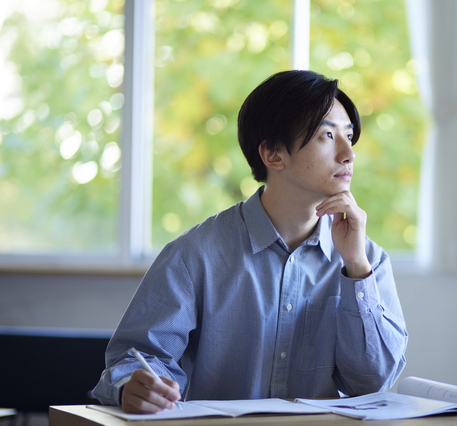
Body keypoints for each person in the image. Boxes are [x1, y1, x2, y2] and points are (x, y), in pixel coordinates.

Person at [92, 70, 408, 414]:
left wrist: (356, 269)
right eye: (327, 135)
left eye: (349, 136)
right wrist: (135, 385)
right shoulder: (194, 255)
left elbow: (374, 382)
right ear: (273, 155)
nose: (349, 154)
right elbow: (135, 358)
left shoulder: (366, 258)